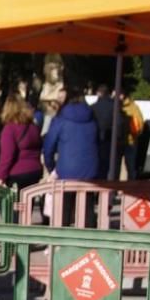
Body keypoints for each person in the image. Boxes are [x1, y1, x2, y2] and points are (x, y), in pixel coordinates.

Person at [43, 85, 100, 227]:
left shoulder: (60, 120)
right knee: (87, 208)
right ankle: (89, 243)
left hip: (66, 171)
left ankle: (64, 242)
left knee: (64, 209)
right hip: (89, 171)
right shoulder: (92, 119)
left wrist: (51, 168)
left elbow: (48, 147)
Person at [0, 95, 43, 191]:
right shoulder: (34, 127)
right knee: (29, 203)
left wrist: (1, 176)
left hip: (17, 173)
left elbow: (7, 155)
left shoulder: (10, 129)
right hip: (35, 170)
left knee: (16, 205)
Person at [121, 91, 145, 181]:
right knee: (131, 167)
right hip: (131, 140)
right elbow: (140, 125)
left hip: (122, 141)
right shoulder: (134, 107)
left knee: (116, 168)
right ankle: (131, 188)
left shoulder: (115, 106)